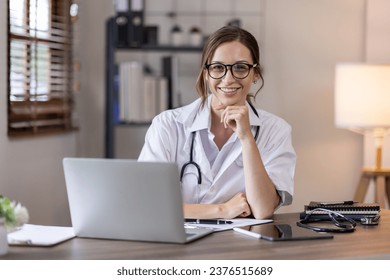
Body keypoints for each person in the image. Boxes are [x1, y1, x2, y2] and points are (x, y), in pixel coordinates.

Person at [138, 25, 296, 219]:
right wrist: (223, 210)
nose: (228, 79)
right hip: (180, 243)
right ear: (206, 73)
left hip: (241, 246)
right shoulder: (168, 125)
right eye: (218, 67)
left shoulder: (276, 130)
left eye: (240, 67)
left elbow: (263, 210)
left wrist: (247, 138)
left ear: (255, 73)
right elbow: (149, 204)